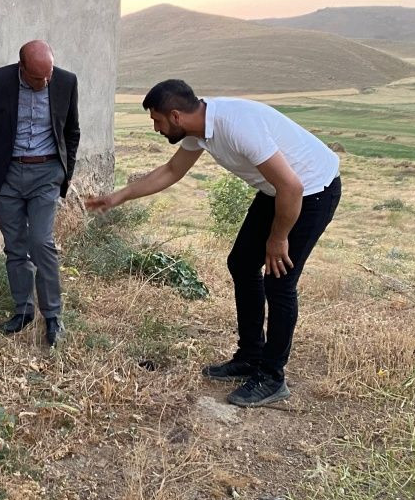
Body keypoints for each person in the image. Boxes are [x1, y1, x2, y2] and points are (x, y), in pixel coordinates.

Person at [86, 79, 340, 407]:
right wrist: (118, 196)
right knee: (242, 263)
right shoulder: (199, 128)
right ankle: (250, 355)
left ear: (175, 116)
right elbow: (171, 170)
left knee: (279, 280)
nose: (156, 129)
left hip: (312, 190)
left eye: (157, 121)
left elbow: (292, 186)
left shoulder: (236, 127)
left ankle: (272, 376)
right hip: (276, 191)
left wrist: (278, 239)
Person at [0, 40, 80, 347]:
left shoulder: (66, 81)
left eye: (48, 75)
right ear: (22, 68)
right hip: (7, 175)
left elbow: (72, 131)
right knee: (15, 246)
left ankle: (53, 316)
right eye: (37, 78)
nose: (45, 82)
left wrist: (65, 174)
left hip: (46, 173)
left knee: (41, 242)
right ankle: (23, 310)